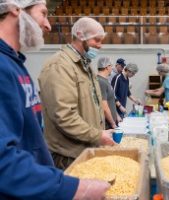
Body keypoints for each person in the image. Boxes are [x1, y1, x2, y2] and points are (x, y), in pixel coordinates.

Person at [0, 1, 110, 199]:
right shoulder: (58, 67)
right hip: (60, 162)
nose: (49, 25)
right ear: (15, 9)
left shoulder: (15, 63)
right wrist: (69, 187)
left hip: (43, 176)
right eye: (43, 13)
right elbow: (64, 116)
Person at [38, 17, 115, 170]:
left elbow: (90, 107)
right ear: (80, 35)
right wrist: (97, 135)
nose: (100, 46)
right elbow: (64, 116)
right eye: (96, 40)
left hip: (85, 150)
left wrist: (100, 132)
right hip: (68, 157)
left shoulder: (85, 66)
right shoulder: (60, 66)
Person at [97, 57, 121, 129]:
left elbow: (111, 102)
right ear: (107, 67)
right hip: (107, 125)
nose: (112, 68)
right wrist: (112, 123)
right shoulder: (101, 81)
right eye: (111, 66)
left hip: (111, 123)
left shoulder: (105, 81)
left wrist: (116, 116)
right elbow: (104, 106)